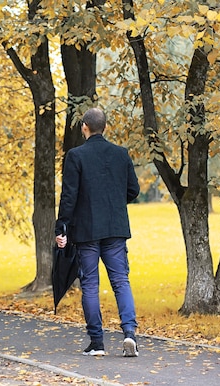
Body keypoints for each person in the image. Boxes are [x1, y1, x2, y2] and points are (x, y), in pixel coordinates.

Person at [55, 107, 140, 357]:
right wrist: (112, 201)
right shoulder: (121, 154)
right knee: (121, 282)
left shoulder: (76, 156)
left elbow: (69, 196)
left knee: (90, 285)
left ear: (84, 127)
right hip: (115, 229)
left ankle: (97, 343)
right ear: (105, 127)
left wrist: (62, 227)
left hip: (87, 230)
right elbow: (132, 191)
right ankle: (129, 334)